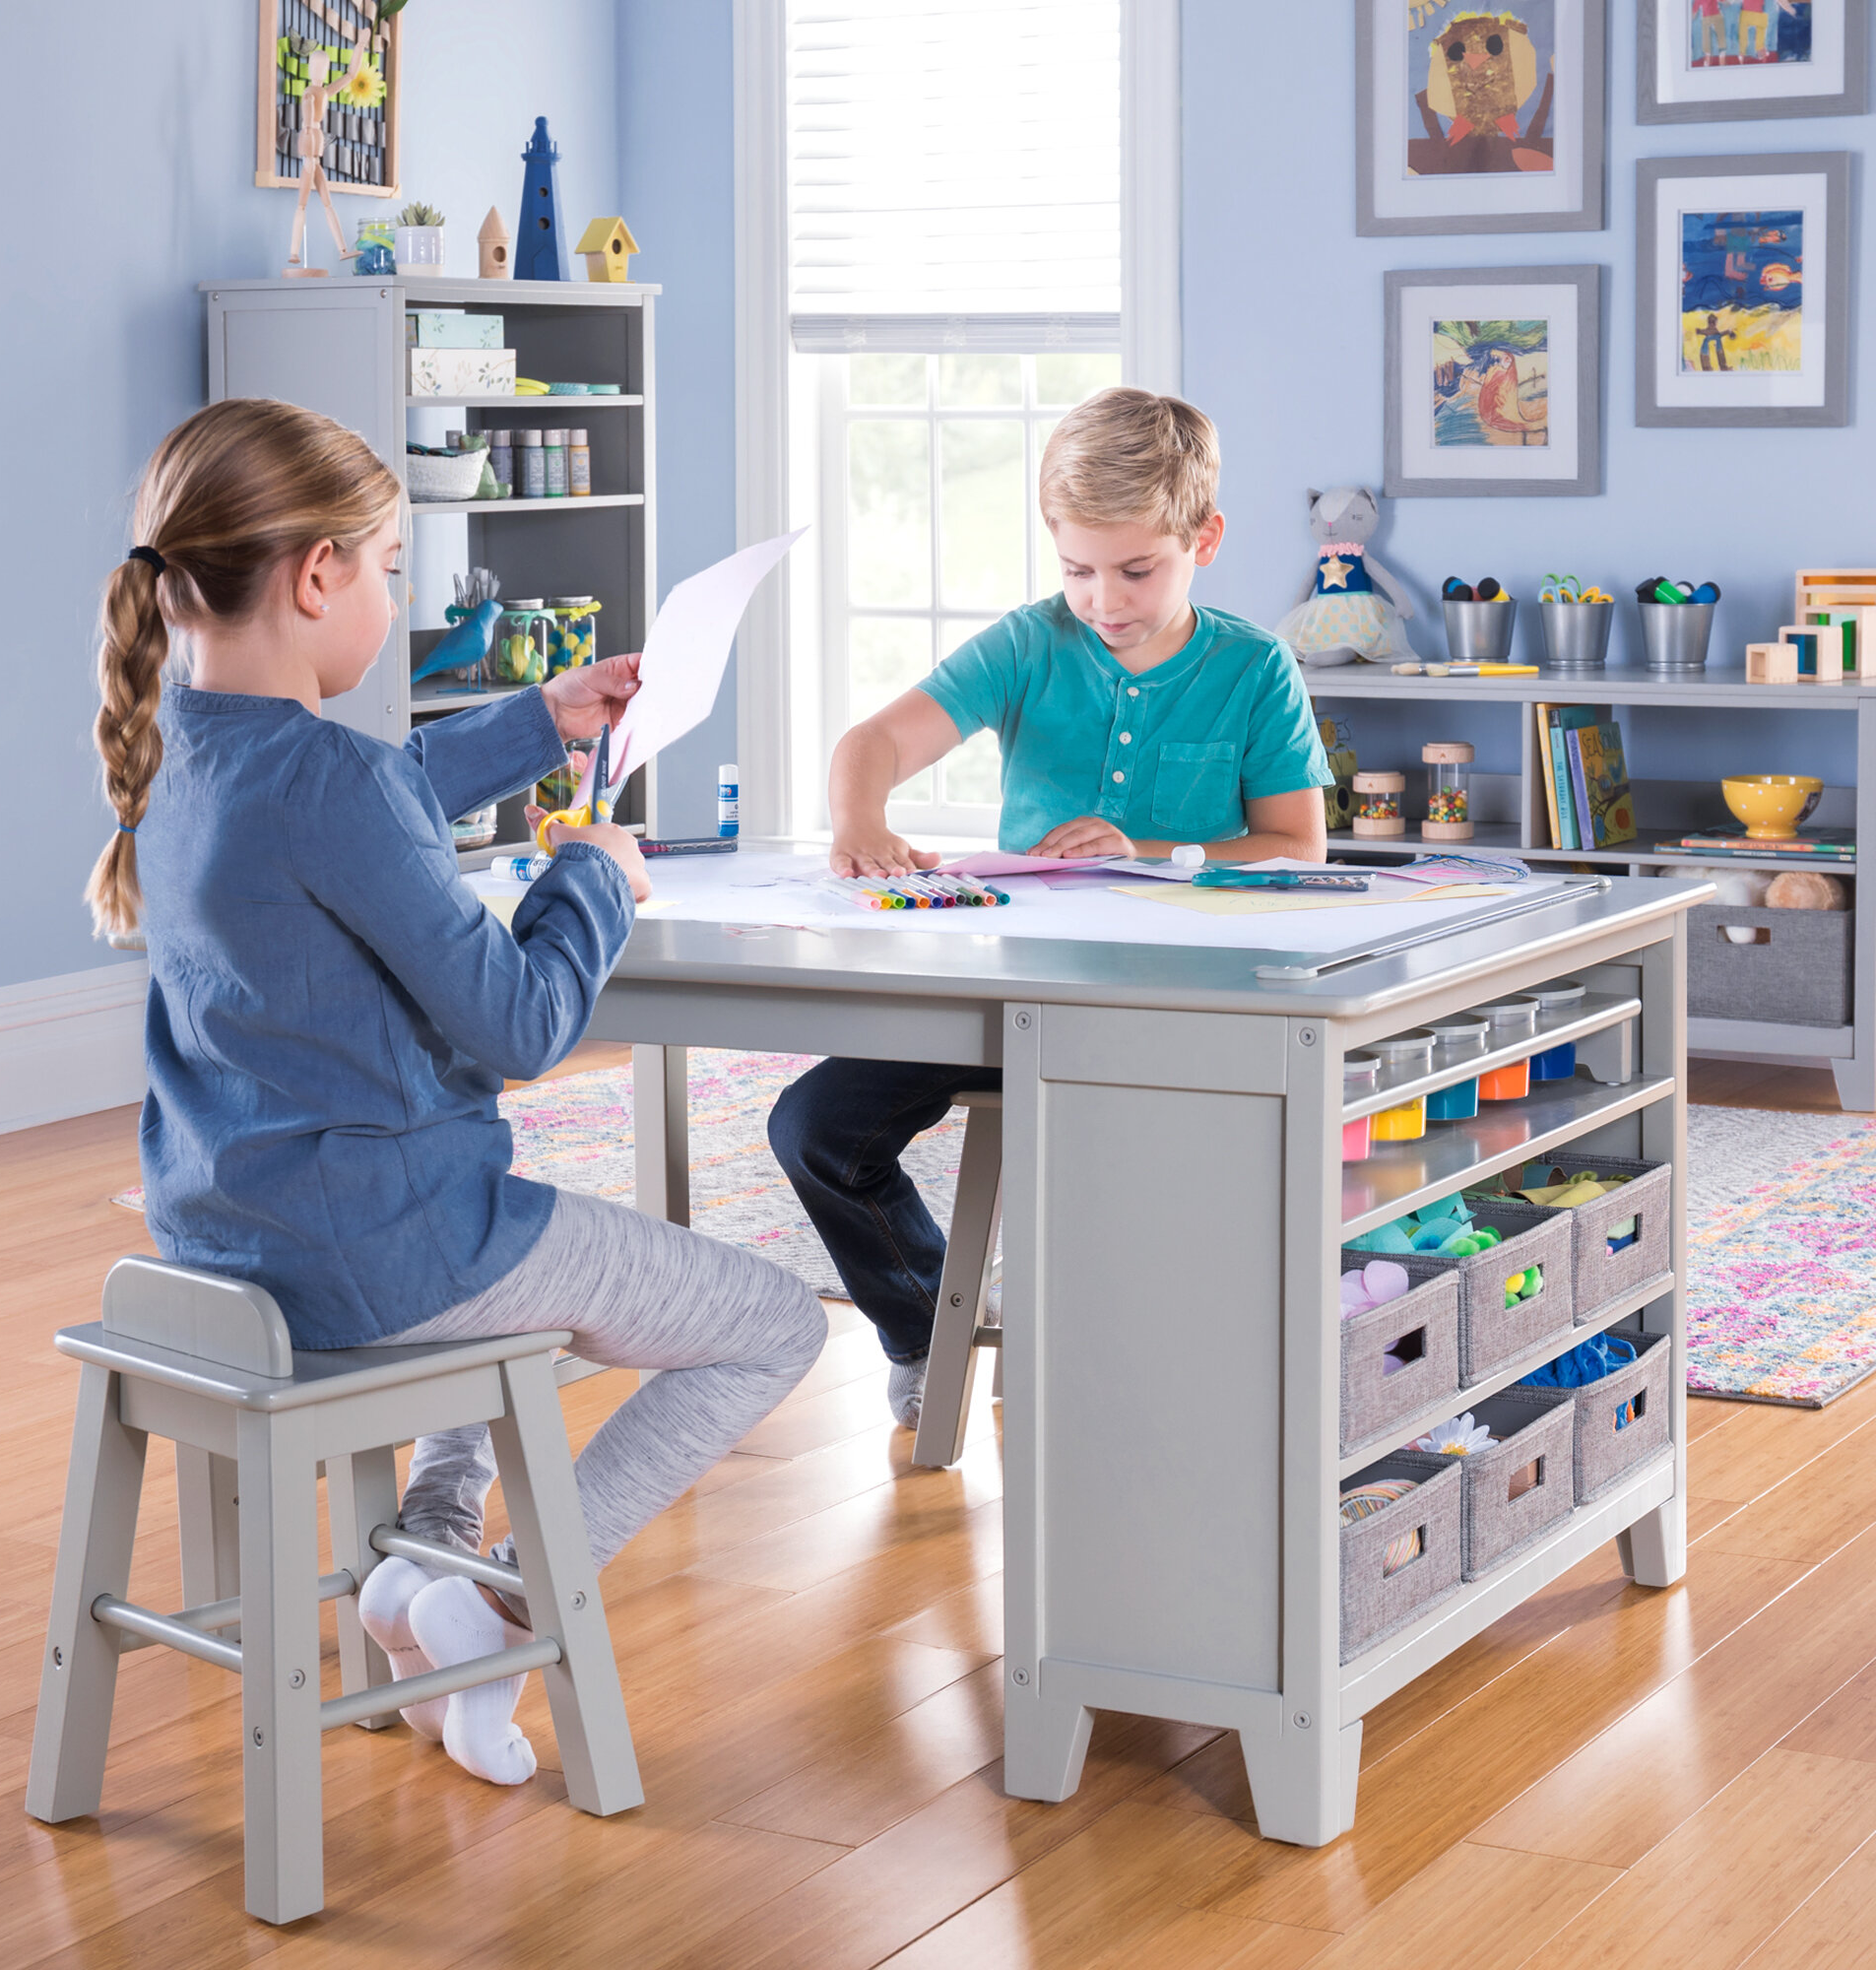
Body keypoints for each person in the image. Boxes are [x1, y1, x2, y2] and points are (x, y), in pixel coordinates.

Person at [88, 398, 825, 1786]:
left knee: (510, 1257)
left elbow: (373, 794)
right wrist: (596, 873)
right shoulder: (332, 784)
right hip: (386, 1256)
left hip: (227, 1241)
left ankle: (417, 1576)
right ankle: (489, 1602)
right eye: (386, 571)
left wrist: (541, 722)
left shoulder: (171, 747)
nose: (389, 597)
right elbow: (525, 1022)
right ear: (317, 577)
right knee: (772, 1325)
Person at [768, 388, 1330, 1427]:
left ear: (1201, 538)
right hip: (1004, 991)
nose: (1101, 599)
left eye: (1133, 570)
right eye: (1075, 569)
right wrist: (860, 819)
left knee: (1101, 1177)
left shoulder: (1253, 669)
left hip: (1173, 1011)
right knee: (812, 1127)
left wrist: (1152, 851)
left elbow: (1295, 847)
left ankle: (1118, 1353)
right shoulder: (1028, 645)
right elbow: (872, 745)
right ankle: (923, 1324)